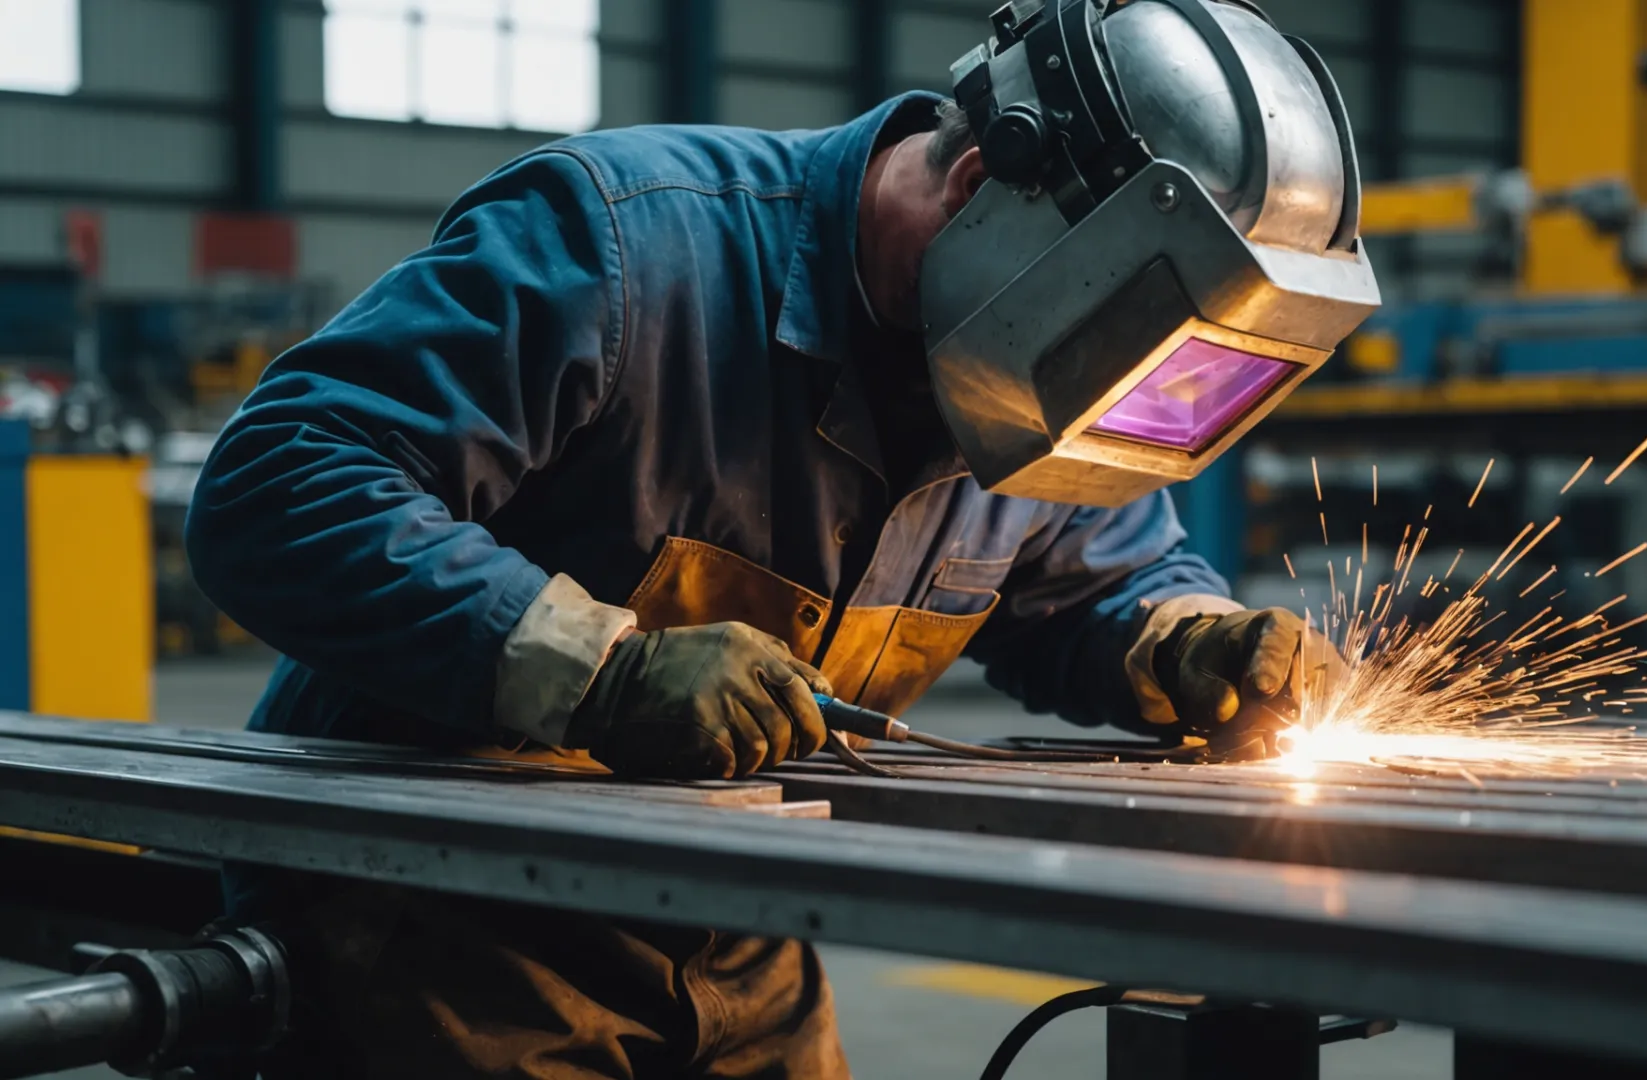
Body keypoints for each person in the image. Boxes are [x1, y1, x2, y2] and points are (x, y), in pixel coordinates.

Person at [186, 2, 1376, 1075]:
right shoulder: (625, 247)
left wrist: (1188, 642)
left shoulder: (1037, 374)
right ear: (975, 189)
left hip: (740, 943)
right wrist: (597, 672)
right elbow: (282, 483)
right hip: (434, 931)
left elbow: (1090, 583)